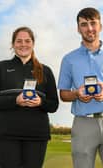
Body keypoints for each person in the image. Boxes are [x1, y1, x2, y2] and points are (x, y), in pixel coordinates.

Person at [0, 26, 59, 168]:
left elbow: (53, 104)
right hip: (7, 135)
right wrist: (15, 100)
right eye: (19, 41)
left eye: (27, 41)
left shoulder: (45, 70)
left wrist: (40, 102)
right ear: (13, 44)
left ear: (33, 43)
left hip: (37, 135)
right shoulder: (0, 67)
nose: (23, 44)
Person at [58, 7, 103, 168]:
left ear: (101, 26)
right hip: (83, 123)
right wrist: (76, 93)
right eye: (84, 24)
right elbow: (63, 94)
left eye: (93, 23)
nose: (89, 28)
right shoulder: (69, 59)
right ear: (78, 28)